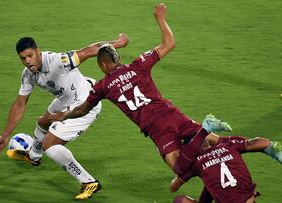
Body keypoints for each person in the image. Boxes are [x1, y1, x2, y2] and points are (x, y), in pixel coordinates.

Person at [49, 3, 282, 180]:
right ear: (118, 59)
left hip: (158, 129)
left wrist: (64, 115)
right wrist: (160, 18)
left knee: (181, 169)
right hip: (172, 114)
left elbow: (82, 109)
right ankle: (263, 145)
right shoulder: (138, 65)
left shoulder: (101, 86)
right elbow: (169, 43)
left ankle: (209, 146)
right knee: (219, 142)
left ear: (101, 65)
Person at [0, 33, 129, 200]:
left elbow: (89, 50)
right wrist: (5, 135)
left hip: (86, 103)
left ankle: (88, 182)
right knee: (42, 122)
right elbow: (20, 104)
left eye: (30, 56)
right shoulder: (28, 74)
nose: (27, 61)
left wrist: (118, 43)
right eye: (23, 58)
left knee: (50, 144)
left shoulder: (58, 61)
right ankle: (33, 157)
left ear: (38, 51)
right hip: (66, 99)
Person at [170, 137, 281, 203]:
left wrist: (182, 170)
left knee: (179, 200)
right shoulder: (228, 146)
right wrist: (272, 148)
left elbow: (173, 187)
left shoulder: (196, 163)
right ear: (207, 143)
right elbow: (262, 142)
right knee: (212, 182)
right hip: (248, 199)